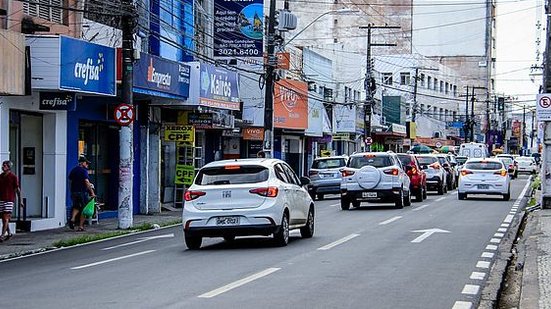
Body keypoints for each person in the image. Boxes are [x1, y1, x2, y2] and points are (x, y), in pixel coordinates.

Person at [68, 155, 95, 231]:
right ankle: (81, 226)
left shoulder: (74, 170)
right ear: (82, 163)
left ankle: (72, 219)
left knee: (76, 206)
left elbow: (70, 181)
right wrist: (92, 192)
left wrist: (71, 190)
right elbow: (86, 181)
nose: (87, 165)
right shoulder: (84, 171)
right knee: (84, 209)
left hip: (74, 192)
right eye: (86, 163)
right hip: (82, 192)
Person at [0, 161, 24, 241]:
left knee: (6, 217)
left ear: (8, 167)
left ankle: (2, 235)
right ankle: (9, 233)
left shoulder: (13, 177)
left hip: (9, 199)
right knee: (3, 218)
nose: (3, 167)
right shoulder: (1, 176)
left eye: (5, 166)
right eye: (3, 165)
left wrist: (20, 200)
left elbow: (17, 189)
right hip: (1, 199)